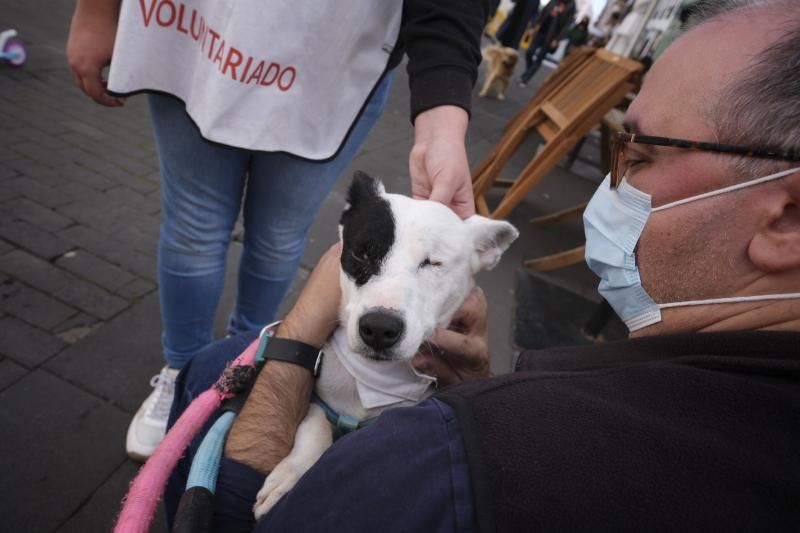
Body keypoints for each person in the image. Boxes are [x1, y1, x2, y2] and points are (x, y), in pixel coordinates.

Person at [167, 0, 800, 530]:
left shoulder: (467, 460)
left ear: (786, 218)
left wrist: (302, 328)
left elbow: (222, 517)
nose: (611, 186)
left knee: (206, 369)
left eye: (639, 156)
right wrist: (479, 387)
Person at [66, 0, 487, 460]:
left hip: (330, 63)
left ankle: (250, 358)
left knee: (279, 237)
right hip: (197, 35)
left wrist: (441, 123)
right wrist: (98, 11)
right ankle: (182, 368)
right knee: (195, 228)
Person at [518, 0, 577, 86]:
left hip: (551, 37)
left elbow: (567, 26)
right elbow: (542, 13)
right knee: (529, 52)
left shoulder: (571, 6)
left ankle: (525, 79)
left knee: (539, 58)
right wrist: (533, 26)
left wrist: (557, 39)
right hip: (541, 31)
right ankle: (529, 70)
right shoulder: (554, 1)